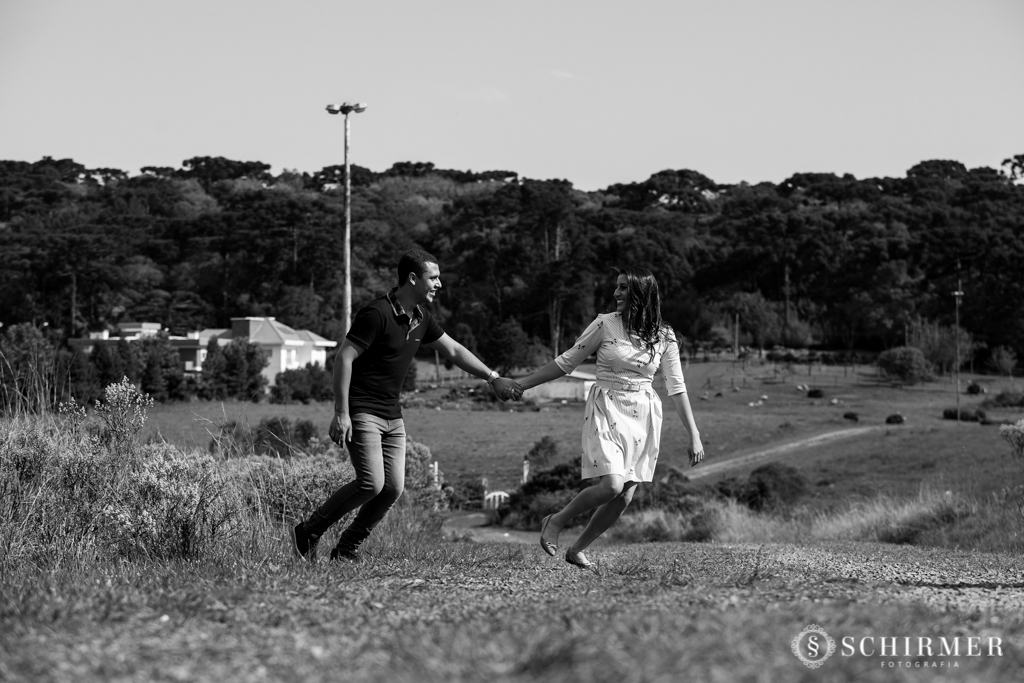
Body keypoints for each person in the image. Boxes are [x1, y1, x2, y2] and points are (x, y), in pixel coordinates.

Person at [290, 248, 519, 562]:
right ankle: (308, 531)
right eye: (433, 278)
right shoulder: (376, 313)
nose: (439, 284)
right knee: (371, 483)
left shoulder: (421, 318)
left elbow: (453, 350)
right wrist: (341, 413)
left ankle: (346, 549)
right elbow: (344, 357)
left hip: (393, 416)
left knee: (392, 489)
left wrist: (493, 378)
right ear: (413, 278)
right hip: (363, 411)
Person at [509, 266, 704, 569]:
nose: (616, 293)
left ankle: (577, 550)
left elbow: (676, 387)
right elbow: (566, 362)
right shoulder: (605, 324)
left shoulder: (664, 335)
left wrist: (694, 434)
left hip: (643, 416)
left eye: (624, 287)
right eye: (617, 286)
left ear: (641, 292)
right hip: (607, 407)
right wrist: (522, 385)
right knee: (612, 486)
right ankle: (555, 520)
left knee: (624, 497)